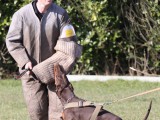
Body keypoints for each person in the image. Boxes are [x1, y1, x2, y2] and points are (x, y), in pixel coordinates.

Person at [6, 0, 82, 120]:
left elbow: (69, 43)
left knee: (58, 114)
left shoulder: (61, 14)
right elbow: (12, 42)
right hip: (31, 74)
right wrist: (24, 61)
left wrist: (57, 65)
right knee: (37, 113)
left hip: (56, 73)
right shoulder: (21, 15)